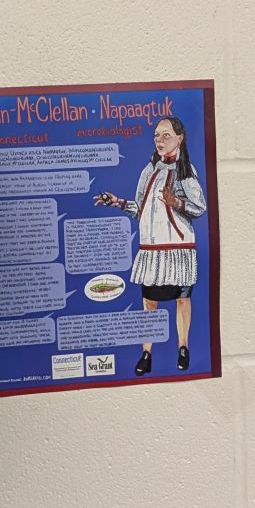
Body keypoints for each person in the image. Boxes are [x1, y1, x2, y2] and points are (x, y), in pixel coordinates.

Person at [94, 116, 206, 376]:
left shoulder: (185, 171)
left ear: (180, 138)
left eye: (166, 135)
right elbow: (140, 210)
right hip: (151, 249)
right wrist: (118, 202)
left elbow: (199, 208)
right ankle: (146, 352)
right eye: (157, 135)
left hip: (178, 248)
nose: (160, 139)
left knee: (182, 299)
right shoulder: (148, 171)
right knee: (149, 303)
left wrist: (175, 202)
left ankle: (183, 347)